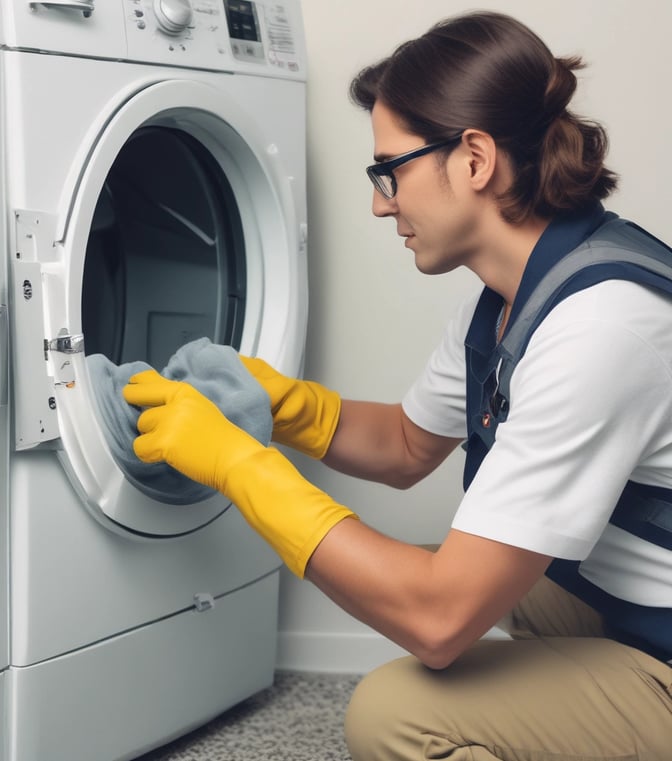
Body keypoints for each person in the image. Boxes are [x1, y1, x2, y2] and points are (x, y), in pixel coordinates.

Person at [123, 11, 672, 761]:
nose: (382, 203)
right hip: (641, 604)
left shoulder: (599, 328)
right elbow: (409, 443)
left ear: (474, 159)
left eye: (391, 170)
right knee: (487, 573)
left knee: (398, 710)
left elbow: (439, 619)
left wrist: (240, 466)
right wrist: (285, 405)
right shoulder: (519, 291)